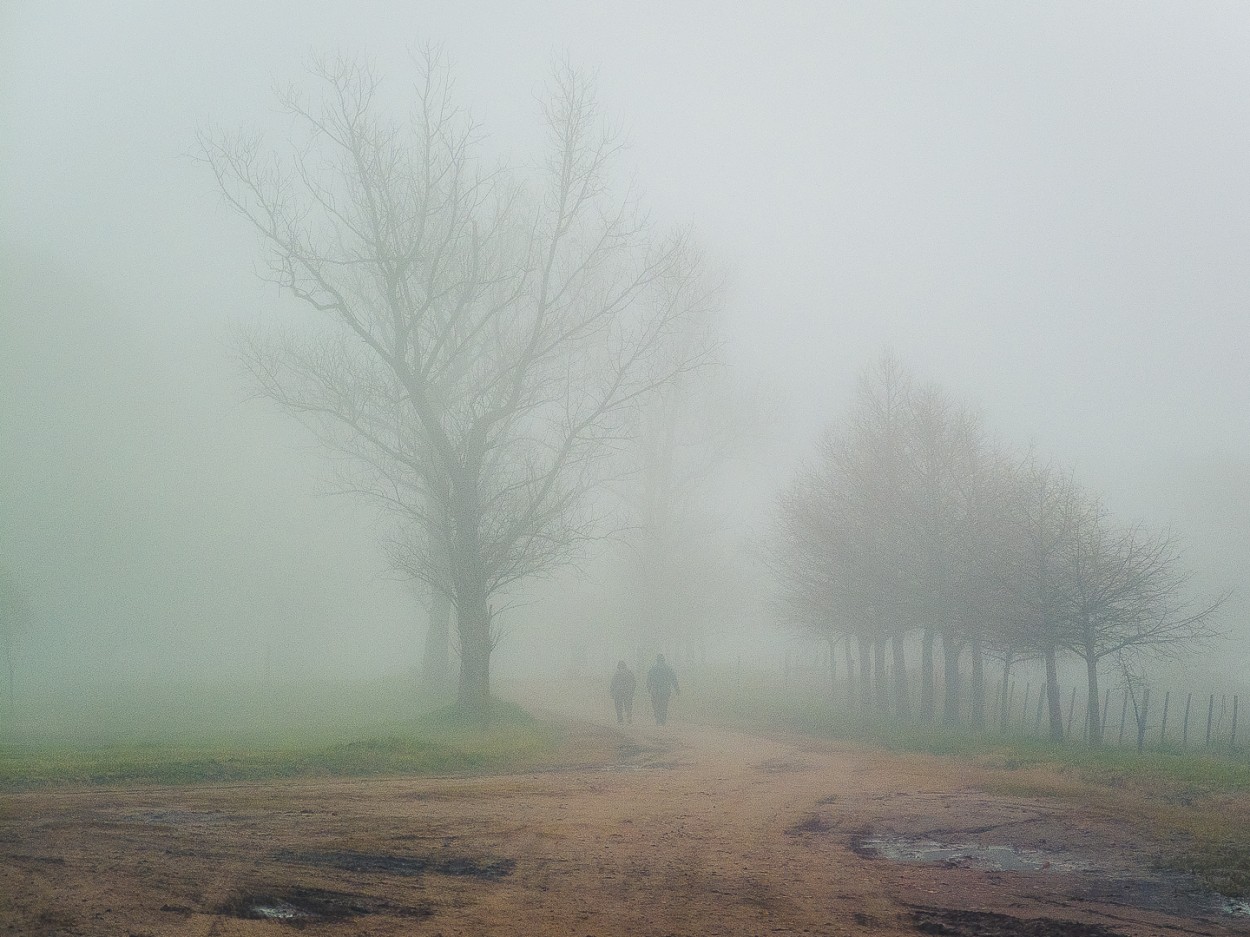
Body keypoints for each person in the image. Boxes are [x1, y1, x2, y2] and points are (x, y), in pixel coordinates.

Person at [646, 654, 680, 726]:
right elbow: (674, 679)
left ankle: (658, 719)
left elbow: (649, 679)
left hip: (656, 690)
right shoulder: (668, 669)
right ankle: (663, 720)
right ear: (664, 660)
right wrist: (677, 689)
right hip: (666, 691)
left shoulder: (653, 669)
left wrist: (648, 688)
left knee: (656, 705)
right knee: (664, 705)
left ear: (657, 660)